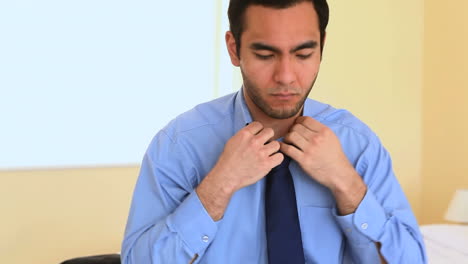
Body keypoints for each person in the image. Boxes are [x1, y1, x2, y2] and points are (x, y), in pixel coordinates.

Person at [121, 0, 427, 263]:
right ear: (234, 49)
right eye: (265, 55)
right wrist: (220, 185)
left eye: (303, 54)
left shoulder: (357, 145)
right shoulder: (180, 144)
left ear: (322, 46)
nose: (285, 76)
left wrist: (345, 182)